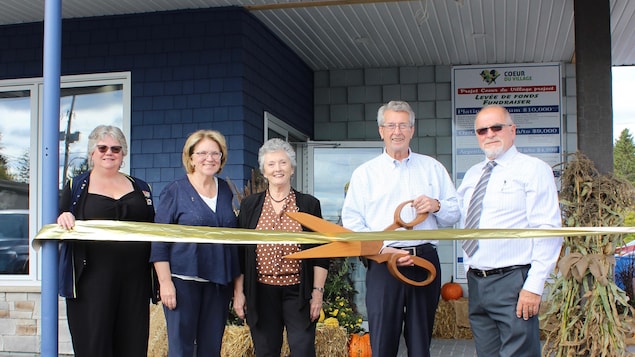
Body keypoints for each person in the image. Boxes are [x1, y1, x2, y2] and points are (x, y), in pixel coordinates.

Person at [341, 100, 460, 357]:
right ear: (381, 130)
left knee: (421, 342)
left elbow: (454, 214)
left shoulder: (433, 168)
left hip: (424, 260)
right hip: (383, 262)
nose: (398, 131)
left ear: (412, 130)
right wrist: (385, 249)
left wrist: (436, 205)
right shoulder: (365, 174)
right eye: (391, 125)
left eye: (403, 125)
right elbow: (352, 223)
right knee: (383, 340)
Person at [457, 105, 563, 357]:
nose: (490, 134)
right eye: (482, 130)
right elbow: (463, 220)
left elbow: (547, 229)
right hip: (478, 281)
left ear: (512, 130)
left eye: (496, 127)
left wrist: (534, 286)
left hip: (513, 282)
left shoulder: (533, 169)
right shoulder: (473, 174)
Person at [57, 125, 156, 357]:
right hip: (91, 280)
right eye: (102, 148)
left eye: (116, 148)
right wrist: (64, 216)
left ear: (123, 155)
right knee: (94, 344)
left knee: (132, 343)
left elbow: (154, 229)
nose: (108, 152)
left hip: (135, 279)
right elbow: (59, 216)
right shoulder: (76, 186)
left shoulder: (141, 187)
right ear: (92, 152)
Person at [232, 138, 329, 357]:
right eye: (271, 164)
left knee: (303, 349)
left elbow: (322, 253)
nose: (278, 169)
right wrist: (239, 293)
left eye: (283, 163)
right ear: (263, 171)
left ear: (292, 168)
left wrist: (317, 292)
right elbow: (239, 253)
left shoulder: (308, 204)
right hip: (261, 291)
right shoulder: (250, 205)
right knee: (265, 351)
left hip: (298, 291)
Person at [150, 130, 240, 357]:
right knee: (181, 350)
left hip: (218, 284)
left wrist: (238, 288)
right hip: (183, 282)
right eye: (202, 153)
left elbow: (236, 241)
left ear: (222, 158)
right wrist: (165, 283)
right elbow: (160, 239)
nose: (209, 158)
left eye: (215, 153)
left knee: (211, 350)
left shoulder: (227, 191)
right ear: (190, 158)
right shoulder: (175, 190)